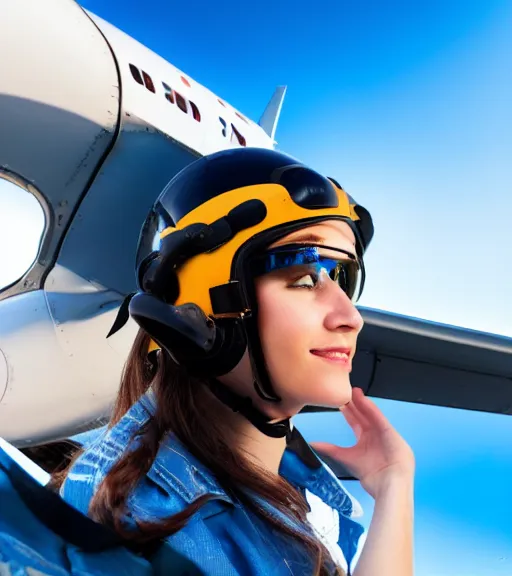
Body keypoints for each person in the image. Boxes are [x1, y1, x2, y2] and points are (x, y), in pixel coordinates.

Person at [57, 147, 415, 576]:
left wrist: (395, 483)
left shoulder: (269, 495)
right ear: (197, 313)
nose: (351, 318)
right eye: (304, 278)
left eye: (343, 279)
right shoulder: (148, 525)